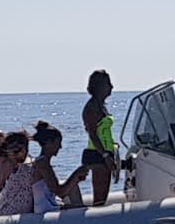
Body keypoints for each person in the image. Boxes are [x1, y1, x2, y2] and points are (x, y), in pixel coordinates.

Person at [68, 70, 119, 207]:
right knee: (100, 198)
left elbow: (103, 131)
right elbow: (93, 134)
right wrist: (105, 155)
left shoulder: (101, 106)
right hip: (98, 154)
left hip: (106, 151)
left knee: (105, 194)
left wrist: (112, 147)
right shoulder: (91, 107)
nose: (111, 87)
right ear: (99, 86)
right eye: (108, 84)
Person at [30, 121, 84, 211]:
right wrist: (76, 174)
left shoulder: (42, 162)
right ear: (48, 142)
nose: (60, 147)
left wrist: (76, 179)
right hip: (47, 208)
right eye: (58, 143)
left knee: (73, 187)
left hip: (51, 203)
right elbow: (59, 192)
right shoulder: (42, 164)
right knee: (82, 207)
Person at [0, 130, 37, 216]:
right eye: (9, 151)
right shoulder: (10, 168)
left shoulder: (27, 170)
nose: (12, 155)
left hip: (13, 213)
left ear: (25, 149)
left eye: (16, 151)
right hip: (3, 209)